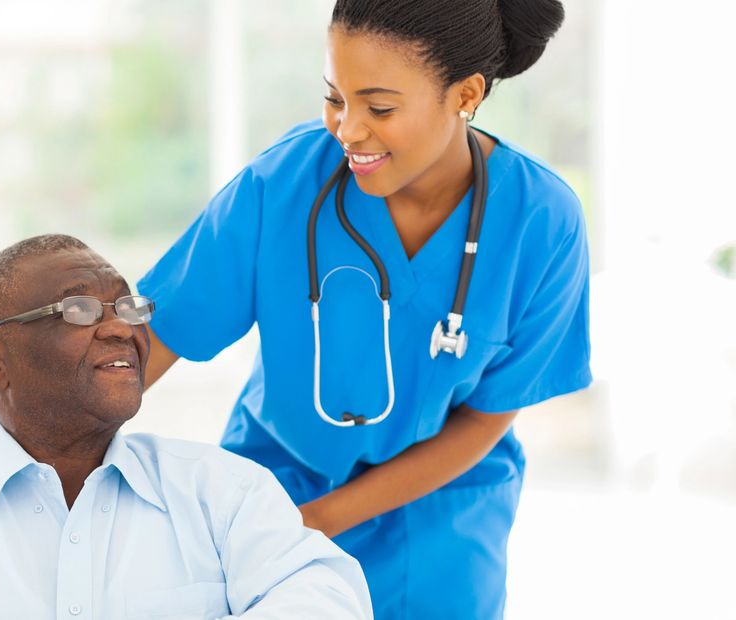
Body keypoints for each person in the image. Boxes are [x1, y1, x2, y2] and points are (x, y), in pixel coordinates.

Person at [137, 1, 589, 618]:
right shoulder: (286, 183)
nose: (346, 129)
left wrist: (320, 521)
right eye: (334, 98)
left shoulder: (541, 222)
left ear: (465, 94)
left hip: (441, 518)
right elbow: (154, 337)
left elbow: (486, 421)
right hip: (275, 492)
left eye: (379, 108)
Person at [0, 234, 373, 619]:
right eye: (79, 309)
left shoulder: (223, 491)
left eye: (128, 305)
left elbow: (324, 597)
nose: (122, 328)